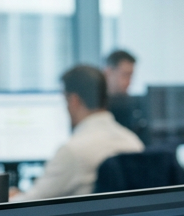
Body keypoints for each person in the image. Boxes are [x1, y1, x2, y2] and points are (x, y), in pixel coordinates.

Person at [12, 65, 143, 202]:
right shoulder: (134, 143)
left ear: (74, 100)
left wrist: (12, 197)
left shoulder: (72, 151)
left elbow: (28, 205)